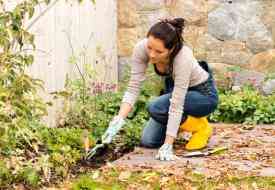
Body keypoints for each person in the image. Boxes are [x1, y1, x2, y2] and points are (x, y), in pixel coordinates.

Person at [102, 18, 219, 161]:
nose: (151, 54)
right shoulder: (141, 48)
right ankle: (183, 125)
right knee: (149, 141)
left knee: (156, 107)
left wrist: (168, 145)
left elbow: (176, 104)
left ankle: (201, 127)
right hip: (175, 93)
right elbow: (133, 87)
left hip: (203, 95)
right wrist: (118, 120)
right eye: (149, 47)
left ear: (172, 49)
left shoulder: (183, 57)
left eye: (159, 51)